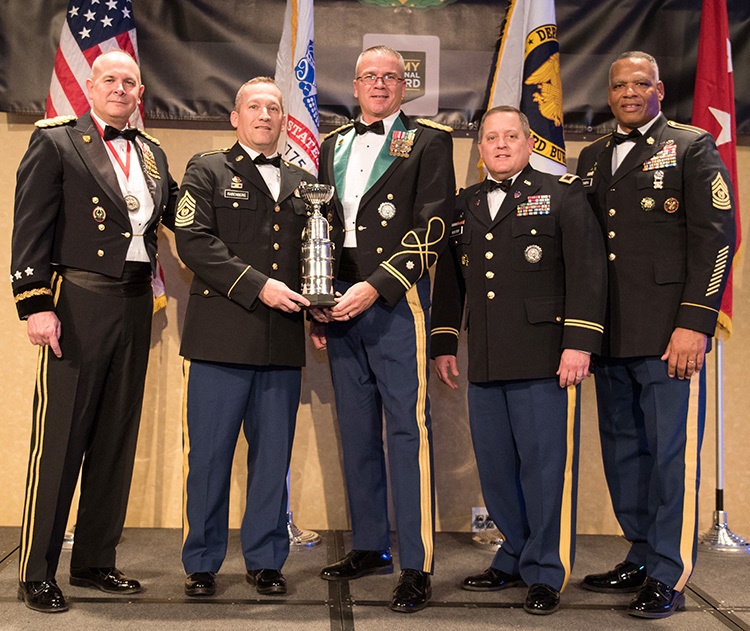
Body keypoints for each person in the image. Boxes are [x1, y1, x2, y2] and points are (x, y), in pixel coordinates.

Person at [10, 50, 178, 613]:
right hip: (77, 302)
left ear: (140, 94)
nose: (120, 88)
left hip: (135, 303)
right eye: (110, 79)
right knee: (60, 440)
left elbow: (181, 217)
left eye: (130, 81)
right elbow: (30, 229)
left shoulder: (152, 153)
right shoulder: (56, 142)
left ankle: (94, 561)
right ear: (90, 84)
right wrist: (36, 305)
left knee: (115, 438)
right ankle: (36, 572)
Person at [576, 51, 736, 619]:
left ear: (659, 90)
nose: (629, 92)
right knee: (624, 453)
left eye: (640, 83)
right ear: (609, 93)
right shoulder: (592, 156)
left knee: (671, 458)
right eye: (619, 85)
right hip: (611, 333)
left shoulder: (692, 146)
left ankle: (669, 573)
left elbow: (717, 239)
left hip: (671, 336)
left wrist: (695, 323)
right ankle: (641, 553)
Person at [431, 106, 607, 615]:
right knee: (496, 470)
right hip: (486, 357)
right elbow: (452, 280)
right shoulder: (463, 204)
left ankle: (547, 571)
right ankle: (514, 553)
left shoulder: (563, 194)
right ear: (480, 147)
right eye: (492, 137)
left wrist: (579, 342)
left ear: (530, 144)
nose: (501, 145)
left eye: (511, 136)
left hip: (544, 358)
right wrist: (444, 341)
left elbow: (588, 271)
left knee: (544, 471)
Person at [309, 45, 455, 613]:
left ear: (403, 85)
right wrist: (317, 302)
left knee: (406, 433)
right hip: (340, 305)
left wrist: (377, 285)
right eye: (369, 76)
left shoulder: (428, 141)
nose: (379, 84)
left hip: (395, 302)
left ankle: (416, 563)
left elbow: (434, 225)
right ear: (354, 85)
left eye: (390, 77)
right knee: (356, 430)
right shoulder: (331, 143)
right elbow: (320, 228)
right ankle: (371, 545)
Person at [175, 77, 315, 599]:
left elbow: (315, 255)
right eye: (253, 106)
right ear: (235, 117)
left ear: (284, 120)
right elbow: (194, 241)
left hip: (281, 341)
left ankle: (266, 559)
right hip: (220, 340)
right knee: (210, 458)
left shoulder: (306, 182)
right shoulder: (207, 169)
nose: (264, 115)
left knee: (272, 459)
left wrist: (322, 306)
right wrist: (260, 286)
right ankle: (202, 562)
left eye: (273, 108)